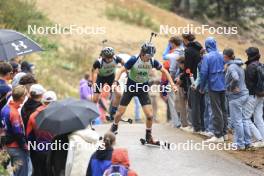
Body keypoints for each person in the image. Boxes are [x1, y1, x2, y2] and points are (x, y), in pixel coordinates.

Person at [110, 42, 177, 144]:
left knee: (150, 116)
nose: (149, 58)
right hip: (131, 87)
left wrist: (172, 84)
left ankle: (148, 137)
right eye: (147, 56)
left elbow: (165, 71)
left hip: (143, 88)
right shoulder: (134, 59)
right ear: (142, 53)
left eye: (151, 56)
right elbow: (120, 71)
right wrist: (115, 82)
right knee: (119, 113)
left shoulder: (152, 61)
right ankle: (113, 129)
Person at [200, 37, 227, 143]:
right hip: (223, 84)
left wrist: (202, 87)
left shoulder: (207, 57)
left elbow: (203, 73)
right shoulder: (221, 54)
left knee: (216, 110)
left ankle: (218, 135)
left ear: (207, 46)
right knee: (223, 109)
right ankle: (224, 133)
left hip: (213, 85)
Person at [224, 48, 251, 149]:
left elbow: (235, 78)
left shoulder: (232, 67)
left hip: (236, 97)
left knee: (237, 121)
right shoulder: (239, 65)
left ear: (226, 57)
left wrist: (231, 87)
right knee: (244, 119)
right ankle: (247, 142)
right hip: (244, 94)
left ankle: (239, 144)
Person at [26, 91, 57, 176]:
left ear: (43, 101)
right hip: (55, 151)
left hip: (39, 150)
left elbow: (29, 135)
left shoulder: (33, 115)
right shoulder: (58, 115)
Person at [91, 47, 124, 120]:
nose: (109, 59)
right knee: (95, 99)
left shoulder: (116, 58)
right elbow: (93, 71)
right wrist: (93, 82)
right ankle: (92, 114)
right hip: (101, 78)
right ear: (103, 57)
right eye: (107, 58)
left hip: (111, 77)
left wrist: (127, 72)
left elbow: (124, 64)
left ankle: (113, 112)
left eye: (111, 57)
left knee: (119, 94)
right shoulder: (98, 62)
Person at [2, 85, 28, 176]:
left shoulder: (4, 108)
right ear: (21, 98)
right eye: (25, 96)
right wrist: (25, 146)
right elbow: (18, 133)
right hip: (16, 148)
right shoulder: (14, 113)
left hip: (7, 146)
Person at [182, 33, 203, 132]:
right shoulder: (200, 49)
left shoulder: (188, 51)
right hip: (200, 78)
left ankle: (195, 127)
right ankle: (201, 126)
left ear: (186, 40)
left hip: (192, 78)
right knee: (200, 103)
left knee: (193, 103)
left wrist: (184, 77)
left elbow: (187, 68)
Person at [243, 47, 264, 147]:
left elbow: (248, 84)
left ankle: (259, 139)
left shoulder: (251, 67)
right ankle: (262, 139)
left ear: (250, 56)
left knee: (246, 118)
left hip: (252, 95)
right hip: (261, 95)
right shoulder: (261, 65)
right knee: (258, 118)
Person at [162, 36, 184, 128]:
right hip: (184, 79)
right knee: (182, 101)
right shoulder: (184, 51)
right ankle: (184, 122)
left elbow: (164, 56)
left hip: (173, 79)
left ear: (173, 44)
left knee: (172, 101)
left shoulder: (172, 55)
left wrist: (168, 47)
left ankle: (176, 122)